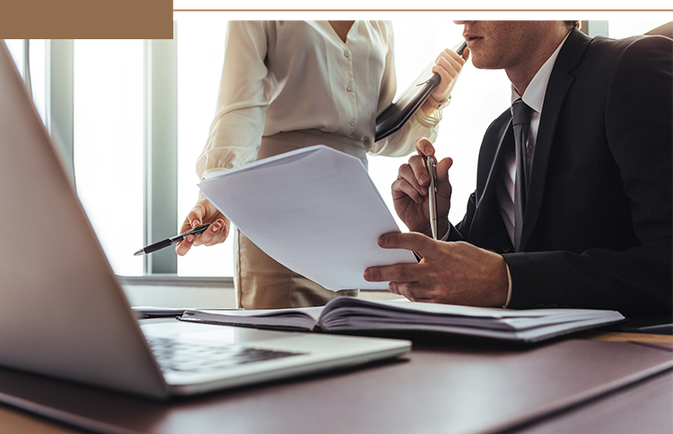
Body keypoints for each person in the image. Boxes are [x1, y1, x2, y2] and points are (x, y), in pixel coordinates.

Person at [364, 19, 673, 316]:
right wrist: (435, 228)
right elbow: (484, 266)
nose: (460, 18)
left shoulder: (634, 67)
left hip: (627, 355)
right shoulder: (498, 134)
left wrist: (508, 279)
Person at [175, 19, 468, 309]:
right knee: (278, 339)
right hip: (279, 202)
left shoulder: (378, 21)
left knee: (341, 331)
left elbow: (378, 135)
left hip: (351, 207)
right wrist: (218, 189)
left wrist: (433, 99)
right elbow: (240, 109)